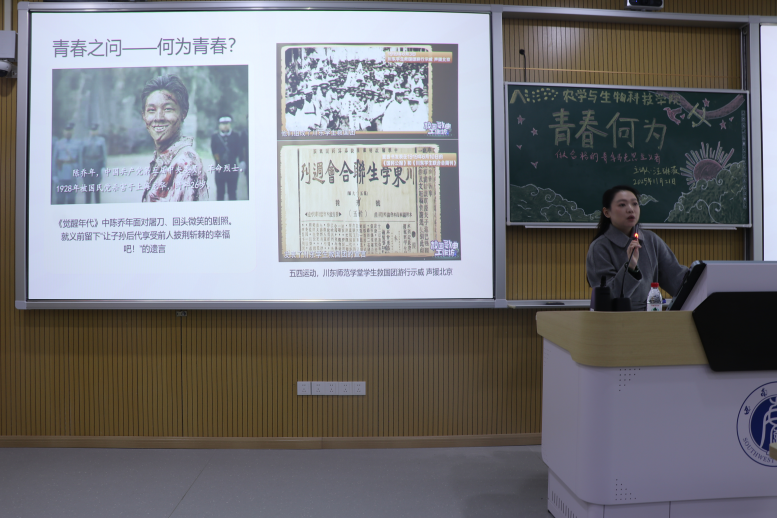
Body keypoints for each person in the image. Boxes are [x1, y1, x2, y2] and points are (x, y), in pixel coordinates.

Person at [586, 185, 688, 311]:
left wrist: (699, 277)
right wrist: (630, 268)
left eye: (634, 204)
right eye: (622, 205)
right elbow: (608, 297)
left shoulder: (651, 239)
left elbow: (676, 279)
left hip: (650, 316)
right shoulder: (599, 247)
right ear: (607, 212)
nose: (630, 209)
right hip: (616, 318)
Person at [140, 74, 208, 202]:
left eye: (168, 109)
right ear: (144, 115)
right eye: (151, 110)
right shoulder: (163, 159)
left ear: (183, 114)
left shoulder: (185, 163)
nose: (158, 117)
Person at [211, 114, 242, 201]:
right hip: (220, 169)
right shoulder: (215, 137)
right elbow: (214, 151)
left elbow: (238, 150)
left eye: (227, 123)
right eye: (223, 124)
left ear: (230, 124)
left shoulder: (236, 136)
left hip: (232, 169)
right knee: (220, 194)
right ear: (219, 125)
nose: (225, 126)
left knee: (232, 194)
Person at [52, 122, 80, 204]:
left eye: (70, 130)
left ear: (73, 131)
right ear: (63, 132)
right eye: (66, 130)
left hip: (72, 175)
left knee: (71, 200)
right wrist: (54, 175)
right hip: (61, 174)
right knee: (60, 199)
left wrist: (80, 174)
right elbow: (54, 160)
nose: (68, 132)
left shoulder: (77, 143)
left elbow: (79, 160)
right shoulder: (58, 143)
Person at [80, 123, 106, 204]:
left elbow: (104, 154)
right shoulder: (85, 141)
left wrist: (104, 166)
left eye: (95, 130)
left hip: (97, 165)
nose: (93, 132)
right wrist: (81, 168)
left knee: (97, 187)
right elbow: (81, 155)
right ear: (89, 131)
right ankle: (88, 205)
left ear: (97, 131)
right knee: (87, 187)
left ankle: (97, 204)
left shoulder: (101, 140)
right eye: (92, 130)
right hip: (87, 166)